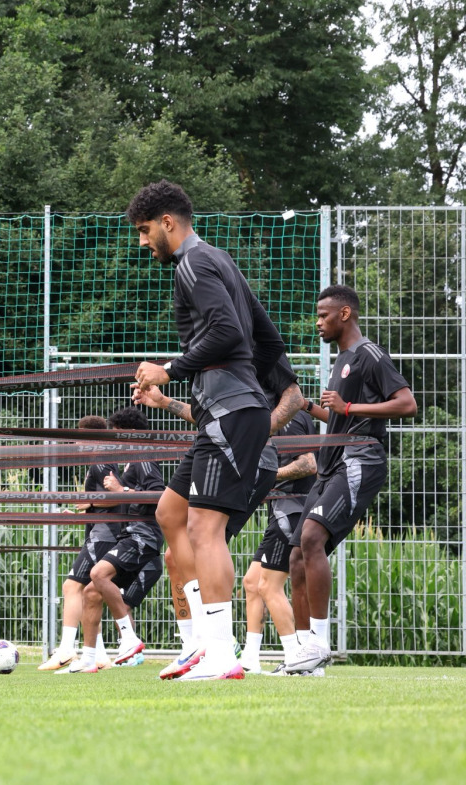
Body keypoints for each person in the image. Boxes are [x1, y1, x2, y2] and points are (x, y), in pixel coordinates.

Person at [128, 180, 283, 681]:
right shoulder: (222, 261)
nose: (143, 242)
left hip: (230, 412)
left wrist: (170, 370)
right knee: (170, 512)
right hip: (224, 410)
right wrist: (246, 385)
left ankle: (221, 655)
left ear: (168, 223)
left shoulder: (192, 264)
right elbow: (267, 338)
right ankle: (200, 642)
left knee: (205, 528)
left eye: (145, 231)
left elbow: (228, 333)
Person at [135, 353, 303, 677]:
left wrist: (254, 433)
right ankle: (202, 641)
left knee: (204, 541)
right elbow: (209, 416)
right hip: (211, 439)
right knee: (171, 531)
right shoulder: (210, 352)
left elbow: (295, 397)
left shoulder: (248, 341)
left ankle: (218, 644)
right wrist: (164, 401)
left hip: (245, 453)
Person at [285, 285, 417, 674]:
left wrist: (348, 405)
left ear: (345, 314)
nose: (317, 322)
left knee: (311, 538)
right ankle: (305, 656)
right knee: (295, 557)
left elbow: (407, 403)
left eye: (323, 315)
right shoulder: (340, 360)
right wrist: (307, 406)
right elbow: (342, 417)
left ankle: (320, 645)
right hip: (332, 464)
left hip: (361, 459)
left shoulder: (369, 354)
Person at [67, 406, 166, 673]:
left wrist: (122, 489)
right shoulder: (131, 458)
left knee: (98, 575)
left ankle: (130, 640)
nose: (114, 437)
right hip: (130, 534)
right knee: (90, 593)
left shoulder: (143, 456)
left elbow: (159, 494)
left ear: (130, 433)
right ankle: (89, 658)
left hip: (143, 535)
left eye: (117, 432)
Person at [241, 412, 315, 674]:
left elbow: (308, 464)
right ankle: (250, 657)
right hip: (282, 510)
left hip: (291, 511)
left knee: (269, 586)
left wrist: (266, 480)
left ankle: (296, 656)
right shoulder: (273, 418)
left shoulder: (288, 419)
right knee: (251, 582)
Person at [39, 416, 114, 671]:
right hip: (102, 532)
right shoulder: (101, 460)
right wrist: (82, 515)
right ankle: (100, 655)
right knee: (89, 594)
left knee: (71, 586)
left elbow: (116, 497)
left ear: (91, 437)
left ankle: (66, 649)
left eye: (79, 436)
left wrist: (90, 504)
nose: (76, 441)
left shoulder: (100, 462)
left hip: (103, 536)